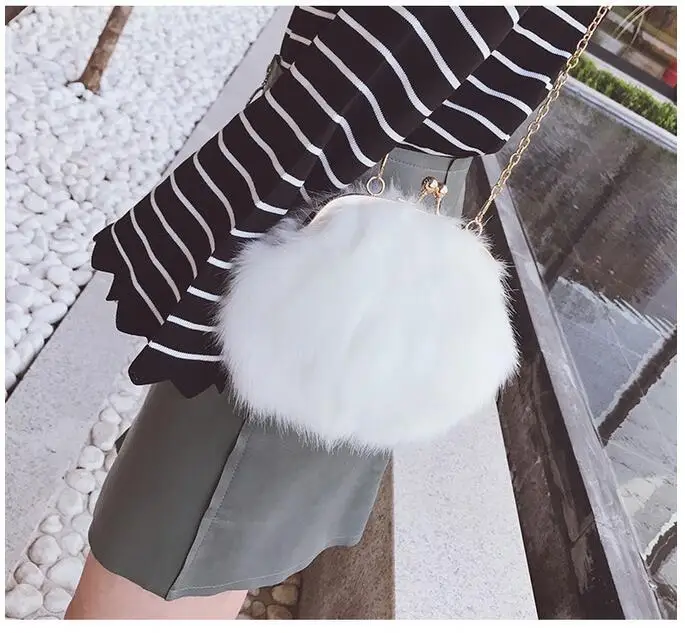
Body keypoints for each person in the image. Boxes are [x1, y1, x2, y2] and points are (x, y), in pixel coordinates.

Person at [66, 6, 601, 620]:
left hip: (340, 197)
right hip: (374, 204)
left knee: (168, 556)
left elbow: (386, 56)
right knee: (200, 546)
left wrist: (214, 236)